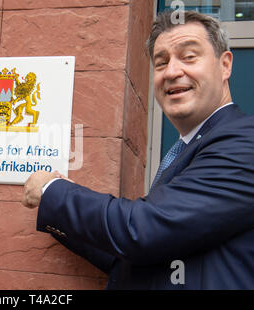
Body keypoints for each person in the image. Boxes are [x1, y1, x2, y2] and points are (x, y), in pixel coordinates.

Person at [22, 10, 254, 289]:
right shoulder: (187, 148)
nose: (172, 71)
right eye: (161, 62)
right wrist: (60, 209)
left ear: (225, 65)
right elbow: (139, 255)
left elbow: (143, 230)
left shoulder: (244, 141)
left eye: (189, 57)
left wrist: (54, 191)